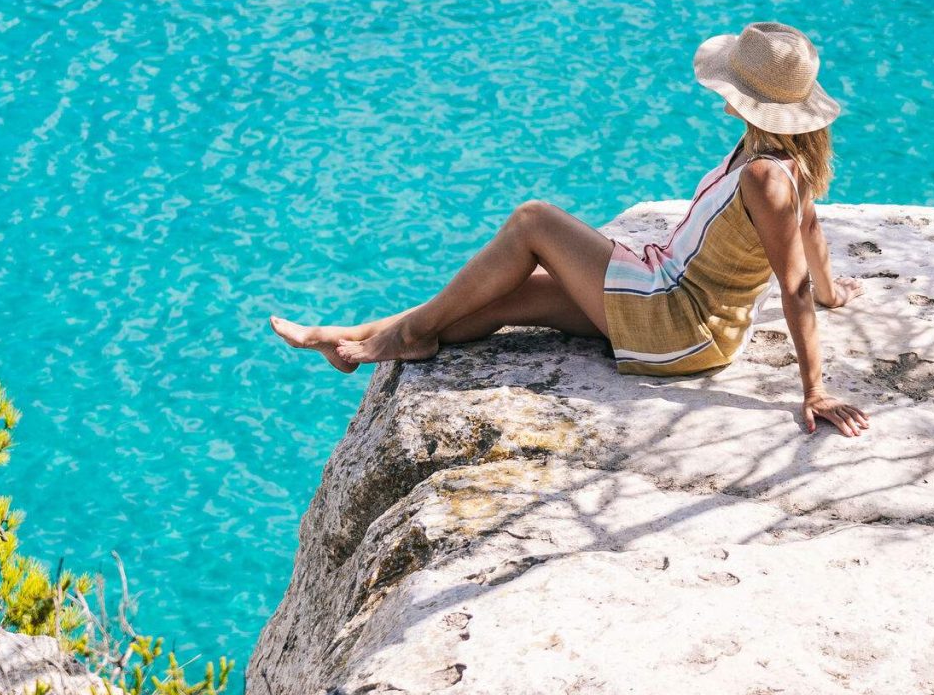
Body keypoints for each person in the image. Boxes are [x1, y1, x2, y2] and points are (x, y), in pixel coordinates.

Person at [271, 22, 868, 437]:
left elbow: (789, 283)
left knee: (533, 220)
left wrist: (813, 388)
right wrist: (832, 291)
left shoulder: (765, 175)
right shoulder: (771, 157)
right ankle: (360, 336)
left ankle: (404, 337)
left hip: (677, 324)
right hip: (667, 295)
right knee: (513, 296)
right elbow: (808, 228)